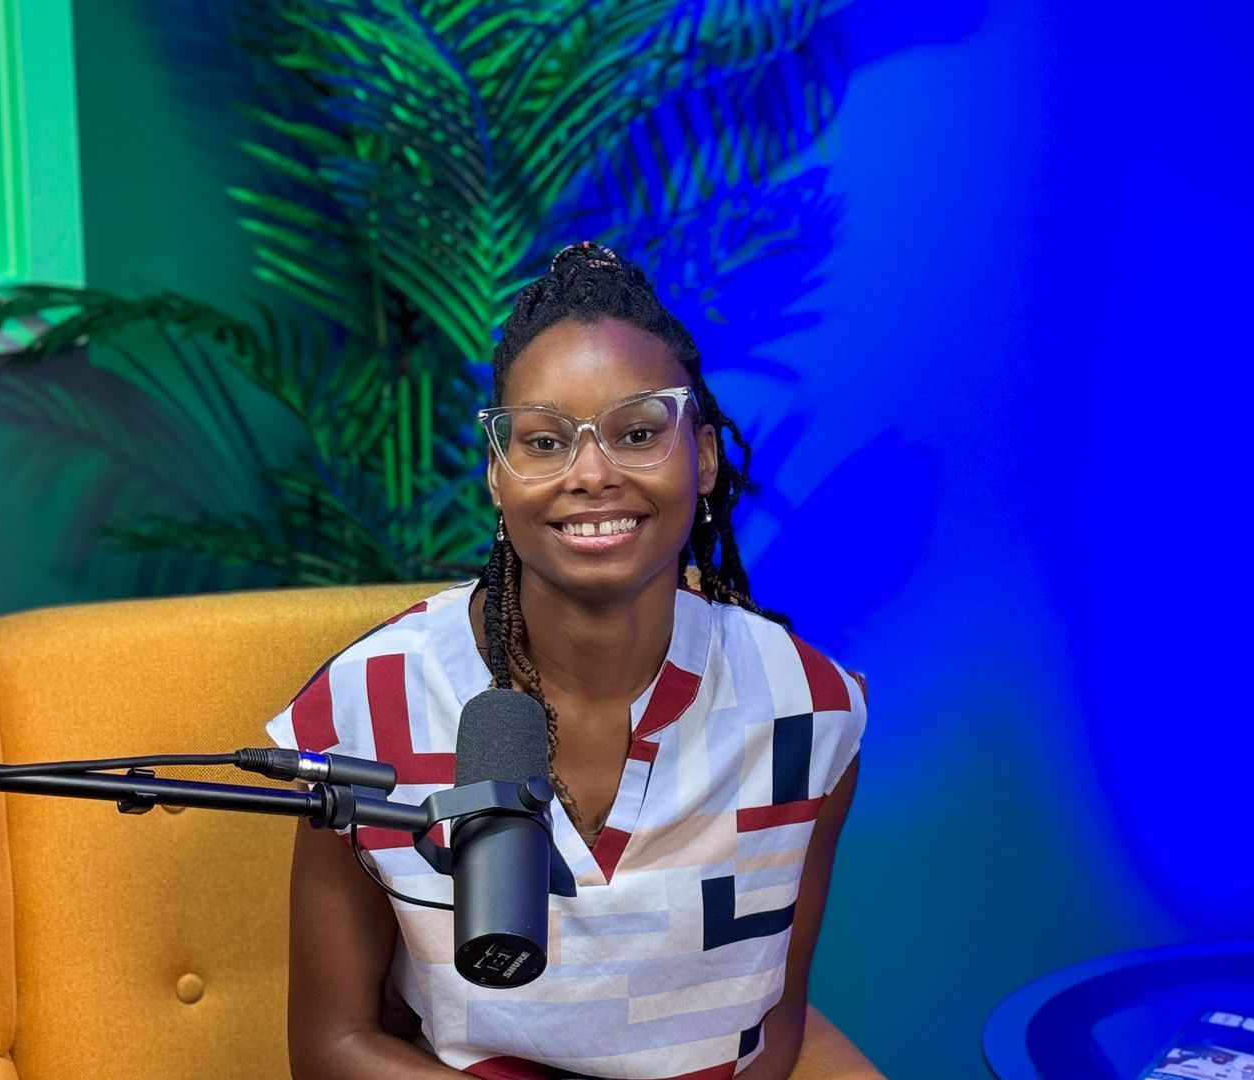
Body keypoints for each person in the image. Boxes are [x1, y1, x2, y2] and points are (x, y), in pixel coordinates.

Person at [265, 242, 872, 1079]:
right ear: (497, 475)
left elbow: (772, 1023)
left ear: (700, 456)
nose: (591, 473)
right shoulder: (362, 711)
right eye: (545, 442)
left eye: (637, 432)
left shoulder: (808, 713)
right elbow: (330, 1047)